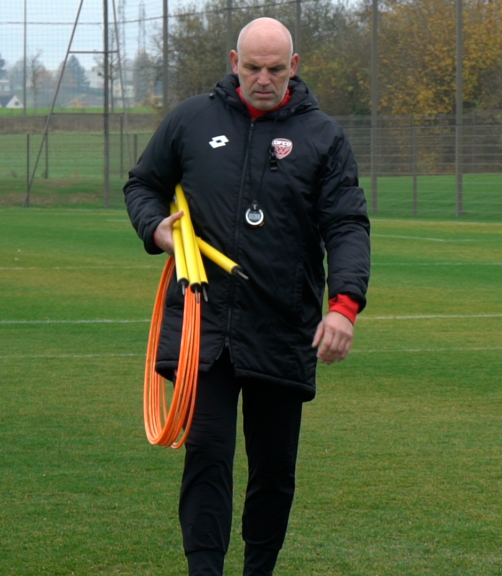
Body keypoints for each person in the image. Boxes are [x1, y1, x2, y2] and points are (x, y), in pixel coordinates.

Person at [124, 17, 370, 576]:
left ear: (295, 67)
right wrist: (156, 228)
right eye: (253, 67)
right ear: (234, 63)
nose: (264, 79)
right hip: (203, 324)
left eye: (276, 69)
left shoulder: (322, 137)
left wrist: (345, 305)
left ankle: (259, 568)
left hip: (283, 326)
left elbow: (348, 226)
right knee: (207, 451)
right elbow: (143, 183)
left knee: (274, 467)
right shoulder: (191, 119)